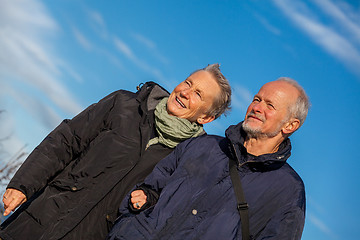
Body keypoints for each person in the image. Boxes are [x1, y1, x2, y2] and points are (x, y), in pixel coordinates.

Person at [0, 64, 232, 240]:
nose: (185, 92)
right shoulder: (123, 104)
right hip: (38, 220)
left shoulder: (191, 158)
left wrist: (148, 199)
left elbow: (168, 209)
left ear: (206, 117)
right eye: (188, 83)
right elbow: (65, 141)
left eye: (198, 94)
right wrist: (23, 184)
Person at [107, 78, 310, 240]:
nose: (257, 107)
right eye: (257, 99)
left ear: (290, 125)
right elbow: (150, 188)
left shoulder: (288, 190)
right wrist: (135, 214)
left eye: (270, 105)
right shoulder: (204, 145)